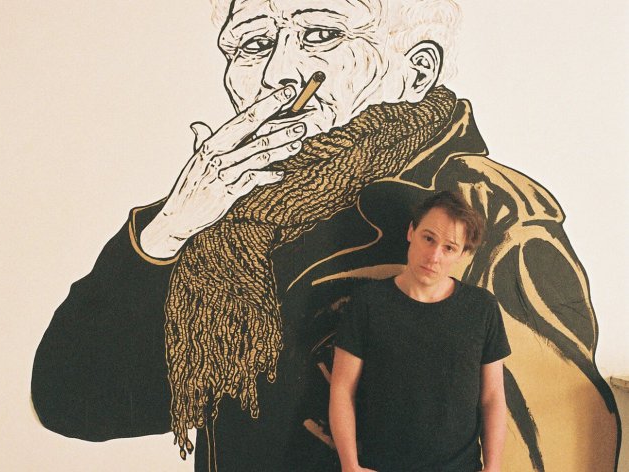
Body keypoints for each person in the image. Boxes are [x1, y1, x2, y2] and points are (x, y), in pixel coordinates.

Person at [32, 1, 619, 471]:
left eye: (319, 35)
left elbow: (550, 438)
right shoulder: (229, 229)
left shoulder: (489, 210)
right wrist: (169, 229)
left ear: (416, 70)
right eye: (253, 44)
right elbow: (75, 402)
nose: (277, 73)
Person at [330, 191, 510, 472]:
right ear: (411, 232)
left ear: (463, 254)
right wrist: (350, 466)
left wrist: (493, 466)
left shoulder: (481, 308)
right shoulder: (368, 303)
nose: (434, 256)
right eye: (428, 238)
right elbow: (342, 388)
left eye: (449, 248)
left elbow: (493, 396)